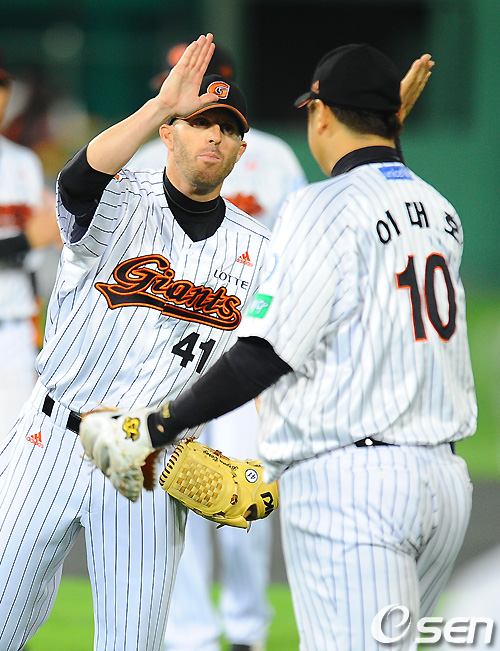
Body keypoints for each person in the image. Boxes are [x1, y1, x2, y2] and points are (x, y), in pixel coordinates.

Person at [82, 43, 476, 650]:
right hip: (444, 485)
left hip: (355, 485)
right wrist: (385, 125)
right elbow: (378, 196)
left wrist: (156, 429)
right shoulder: (441, 211)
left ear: (320, 115)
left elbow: (264, 352)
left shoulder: (317, 206)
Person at [0, 34, 273, 651]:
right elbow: (77, 179)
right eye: (199, 121)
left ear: (240, 148)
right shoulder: (119, 198)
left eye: (228, 129)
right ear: (169, 134)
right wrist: (158, 106)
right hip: (51, 440)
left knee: (134, 641)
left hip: (148, 459)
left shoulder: (258, 251)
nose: (214, 136)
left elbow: (267, 352)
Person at [131, 43, 308, 651]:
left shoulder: (273, 158)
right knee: (164, 504)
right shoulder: (150, 160)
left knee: (240, 499)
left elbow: (296, 260)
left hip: (241, 358)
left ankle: (247, 631)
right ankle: (192, 638)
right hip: (164, 360)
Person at [0, 61, 61, 443]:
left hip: (14, 328)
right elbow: (32, 240)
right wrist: (25, 241)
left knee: (14, 448)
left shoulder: (23, 162)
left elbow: (43, 246)